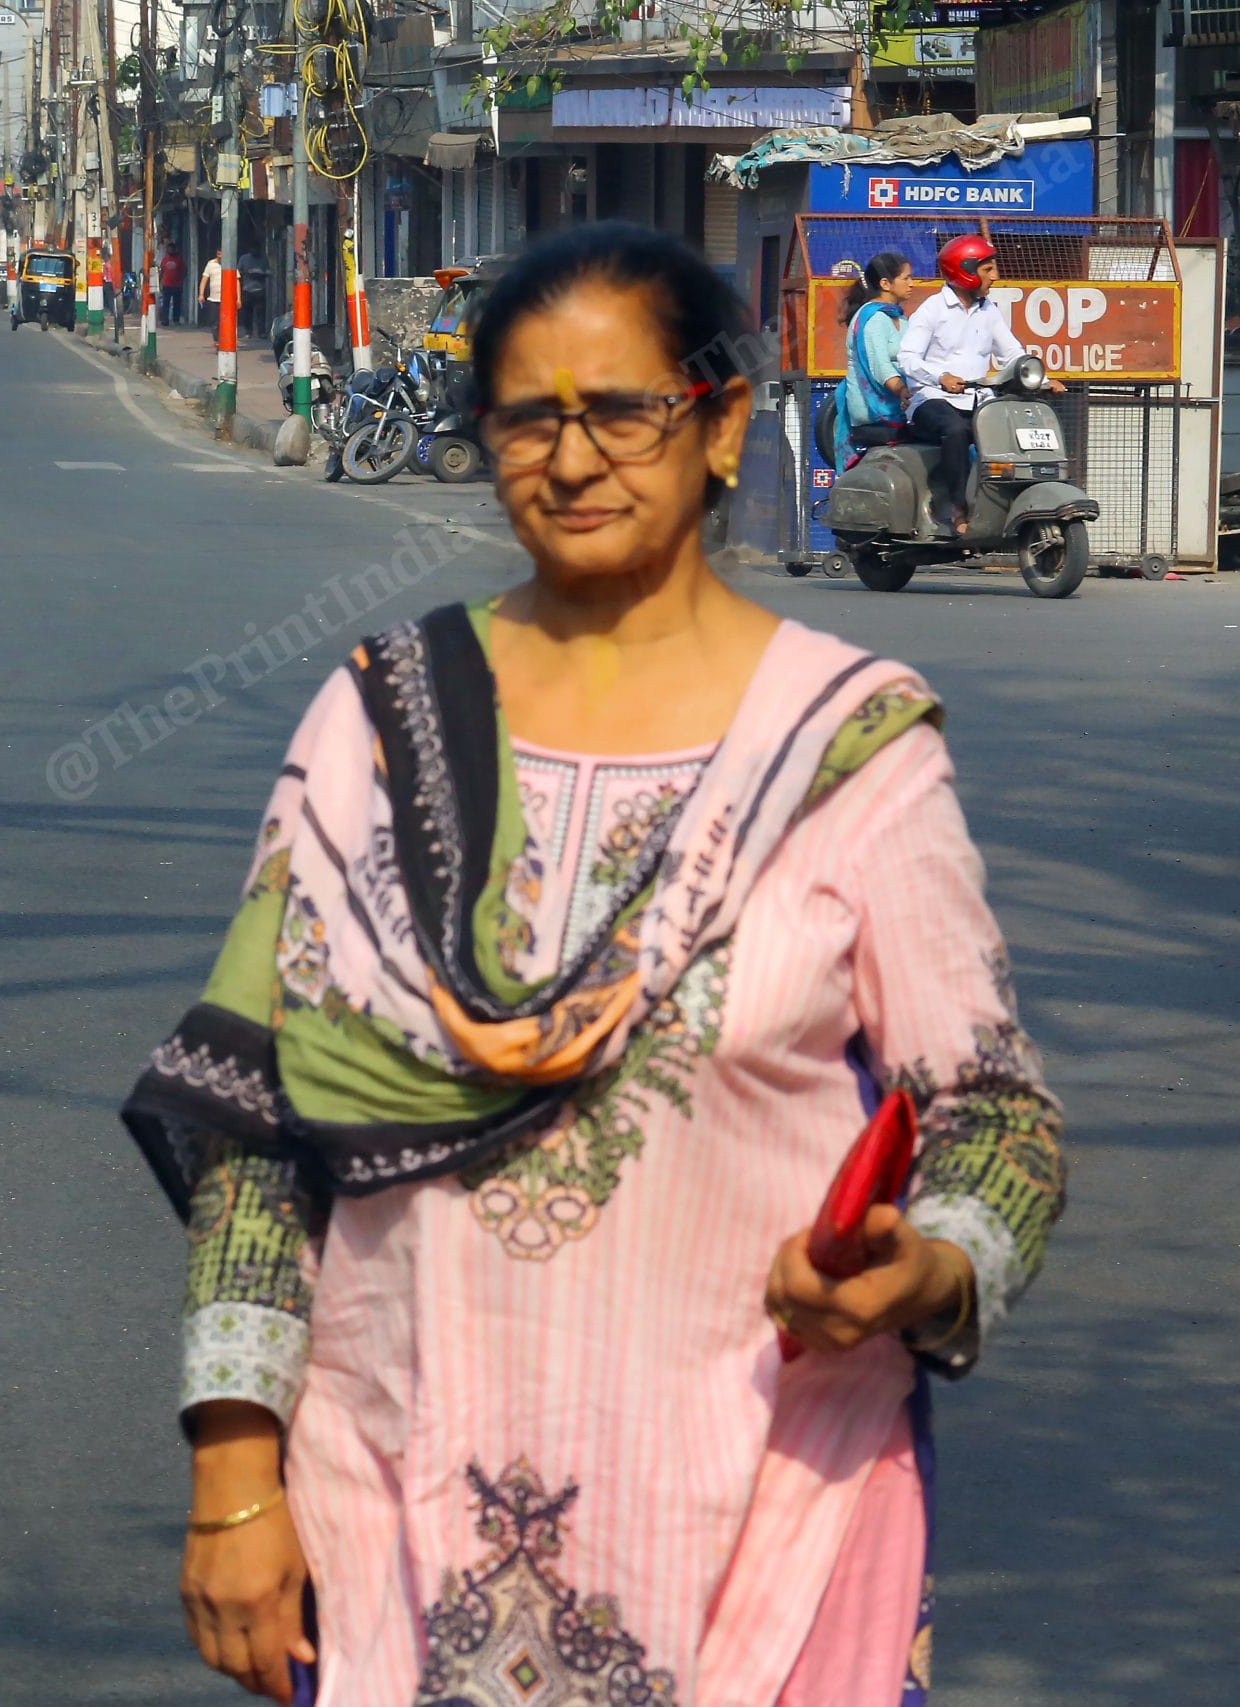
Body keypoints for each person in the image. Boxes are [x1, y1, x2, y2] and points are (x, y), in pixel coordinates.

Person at [123, 222, 1063, 1705]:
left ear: (719, 422)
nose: (573, 459)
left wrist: (930, 1263)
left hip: (761, 1515)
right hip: (398, 1501)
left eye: (621, 410)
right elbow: (257, 1122)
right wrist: (234, 1476)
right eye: (526, 417)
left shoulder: (850, 753)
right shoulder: (379, 724)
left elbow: (993, 1115)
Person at [897, 234, 1064, 534]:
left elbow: (1012, 353)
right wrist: (941, 378)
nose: (995, 276)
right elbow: (907, 357)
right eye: (988, 270)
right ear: (965, 271)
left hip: (977, 401)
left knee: (1013, 430)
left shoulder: (988, 311)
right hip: (931, 401)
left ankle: (1002, 506)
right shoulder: (933, 309)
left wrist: (1043, 380)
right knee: (956, 430)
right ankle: (957, 508)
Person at [832, 251, 918, 468]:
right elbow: (880, 368)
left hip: (899, 401)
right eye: (906, 278)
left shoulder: (898, 317)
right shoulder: (873, 319)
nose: (912, 284)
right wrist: (903, 391)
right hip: (874, 409)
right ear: (885, 284)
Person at [160, 245, 186, 326]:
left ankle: (176, 320)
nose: (171, 250)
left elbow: (184, 270)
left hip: (177, 285)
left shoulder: (179, 260)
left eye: (172, 249)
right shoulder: (164, 260)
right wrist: (160, 282)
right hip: (166, 284)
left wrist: (181, 280)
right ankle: (165, 320)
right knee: (165, 303)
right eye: (169, 248)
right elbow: (162, 271)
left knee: (177, 303)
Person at [199, 247, 225, 326]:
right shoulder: (210, 264)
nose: (220, 252)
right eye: (218, 250)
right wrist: (201, 294)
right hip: (214, 298)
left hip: (226, 299)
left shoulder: (230, 263)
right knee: (214, 321)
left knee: (225, 320)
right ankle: (216, 336)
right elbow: (204, 280)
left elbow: (236, 281)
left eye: (222, 251)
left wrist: (238, 298)